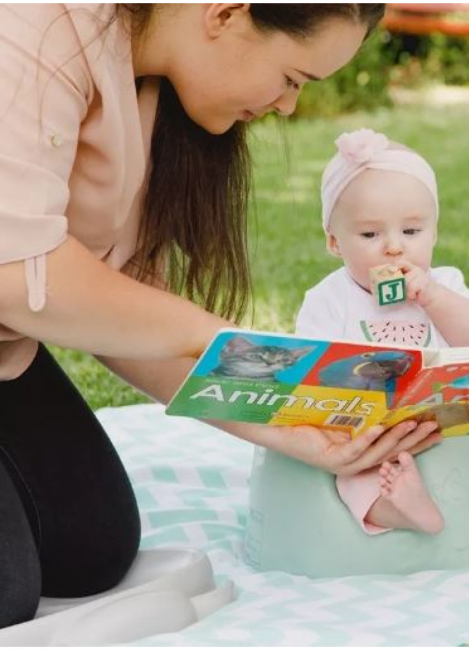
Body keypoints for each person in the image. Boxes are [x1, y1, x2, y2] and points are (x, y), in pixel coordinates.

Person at [0, 3, 444, 628]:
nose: (288, 106)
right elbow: (16, 276)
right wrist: (222, 339)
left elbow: (114, 298)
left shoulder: (152, 87)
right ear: (227, 14)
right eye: (293, 78)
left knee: (92, 546)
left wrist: (280, 421)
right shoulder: (35, 29)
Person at [296, 128, 469, 537]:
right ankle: (402, 508)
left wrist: (433, 298)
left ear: (434, 232)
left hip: (456, 416)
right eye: (370, 234)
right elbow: (313, 374)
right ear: (335, 242)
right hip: (378, 429)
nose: (394, 247)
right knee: (355, 468)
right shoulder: (328, 299)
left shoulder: (446, 283)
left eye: (411, 231)